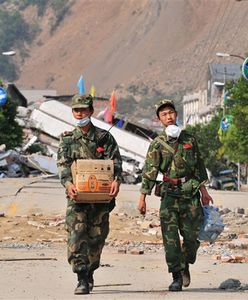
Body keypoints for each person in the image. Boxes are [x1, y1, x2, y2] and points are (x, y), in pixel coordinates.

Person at [138, 99, 213, 292]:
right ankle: (176, 276)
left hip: (191, 193)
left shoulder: (189, 139)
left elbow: (199, 165)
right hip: (169, 195)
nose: (168, 116)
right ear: (159, 119)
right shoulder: (157, 143)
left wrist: (204, 192)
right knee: (170, 238)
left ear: (176, 115)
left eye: (171, 112)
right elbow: (150, 171)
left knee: (191, 237)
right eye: (164, 114)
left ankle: (186, 262)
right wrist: (143, 197)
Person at [57, 94, 122, 295]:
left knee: (96, 239)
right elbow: (63, 165)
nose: (80, 113)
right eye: (76, 110)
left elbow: (116, 163)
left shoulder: (104, 137)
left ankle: (91, 270)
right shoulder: (68, 139)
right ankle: (81, 277)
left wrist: (116, 181)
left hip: (100, 201)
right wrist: (68, 184)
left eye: (83, 110)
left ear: (91, 112)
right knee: (76, 237)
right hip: (77, 199)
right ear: (73, 112)